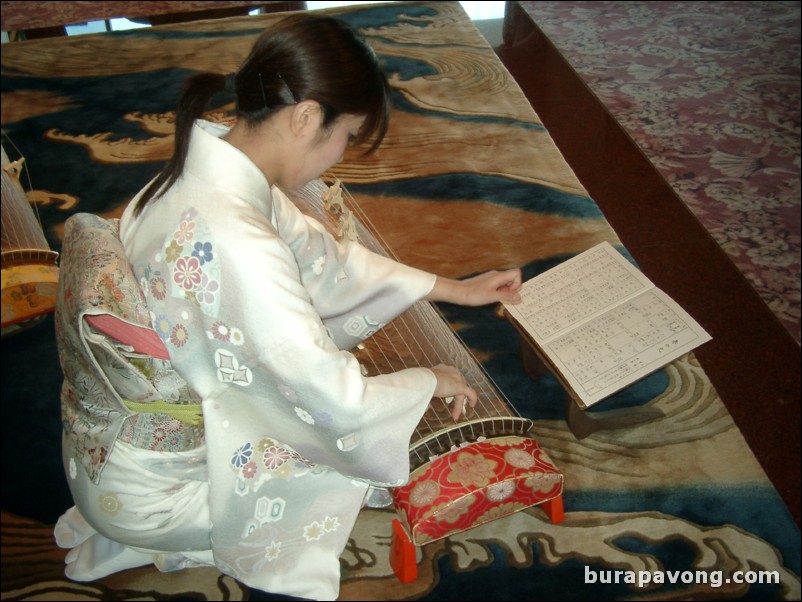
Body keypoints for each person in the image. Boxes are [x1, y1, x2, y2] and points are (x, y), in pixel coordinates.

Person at [54, 13, 522, 601]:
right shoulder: (239, 242)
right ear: (307, 117)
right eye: (346, 134)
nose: (341, 152)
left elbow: (324, 260)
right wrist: (428, 378)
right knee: (345, 467)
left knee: (308, 403)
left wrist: (454, 288)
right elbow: (331, 398)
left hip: (107, 450)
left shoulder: (207, 166)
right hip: (158, 494)